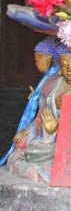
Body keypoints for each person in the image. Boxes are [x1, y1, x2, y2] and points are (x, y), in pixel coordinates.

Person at [7, 43, 71, 184]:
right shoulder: (51, 86)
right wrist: (30, 131)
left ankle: (56, 169)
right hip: (51, 141)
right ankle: (57, 169)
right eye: (64, 64)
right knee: (29, 148)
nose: (70, 69)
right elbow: (40, 119)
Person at [0, 38, 62, 166]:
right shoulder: (49, 78)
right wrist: (28, 129)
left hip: (55, 132)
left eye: (38, 59)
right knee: (21, 142)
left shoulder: (57, 80)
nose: (36, 63)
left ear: (48, 57)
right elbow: (41, 114)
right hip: (41, 127)